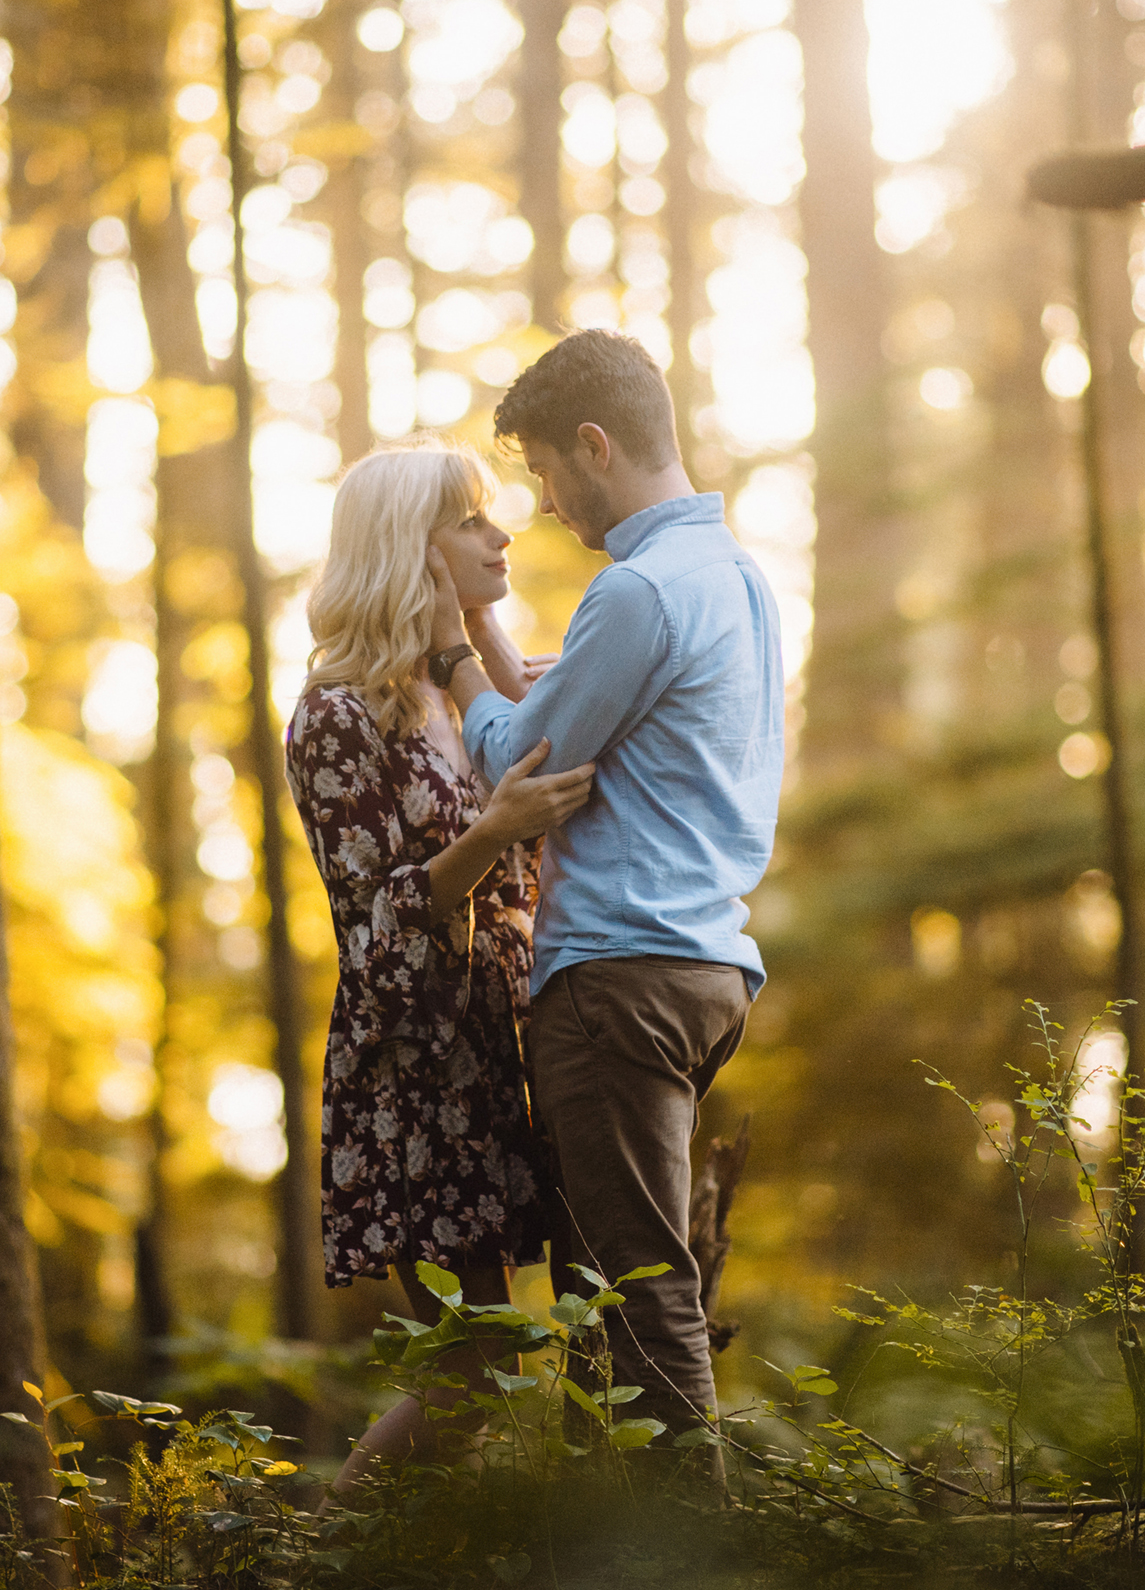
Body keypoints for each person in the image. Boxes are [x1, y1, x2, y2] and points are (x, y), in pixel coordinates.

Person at [427, 330, 784, 1461]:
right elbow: (574, 713)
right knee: (595, 1297)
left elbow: (517, 764)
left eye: (540, 469)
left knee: (634, 1296)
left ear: (595, 445)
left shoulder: (636, 592)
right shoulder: (734, 576)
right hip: (704, 965)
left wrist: (451, 663)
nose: (539, 499)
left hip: (616, 978)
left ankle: (693, 1552)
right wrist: (494, 644)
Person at [283, 441, 595, 1499]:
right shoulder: (336, 715)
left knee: (498, 1361)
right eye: (470, 521)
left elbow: (545, 719)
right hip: (411, 1076)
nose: (502, 533)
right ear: (408, 549)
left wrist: (474, 629)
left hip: (497, 1051)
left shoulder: (468, 694)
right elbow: (372, 936)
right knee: (473, 1365)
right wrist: (492, 831)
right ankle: (309, 1558)